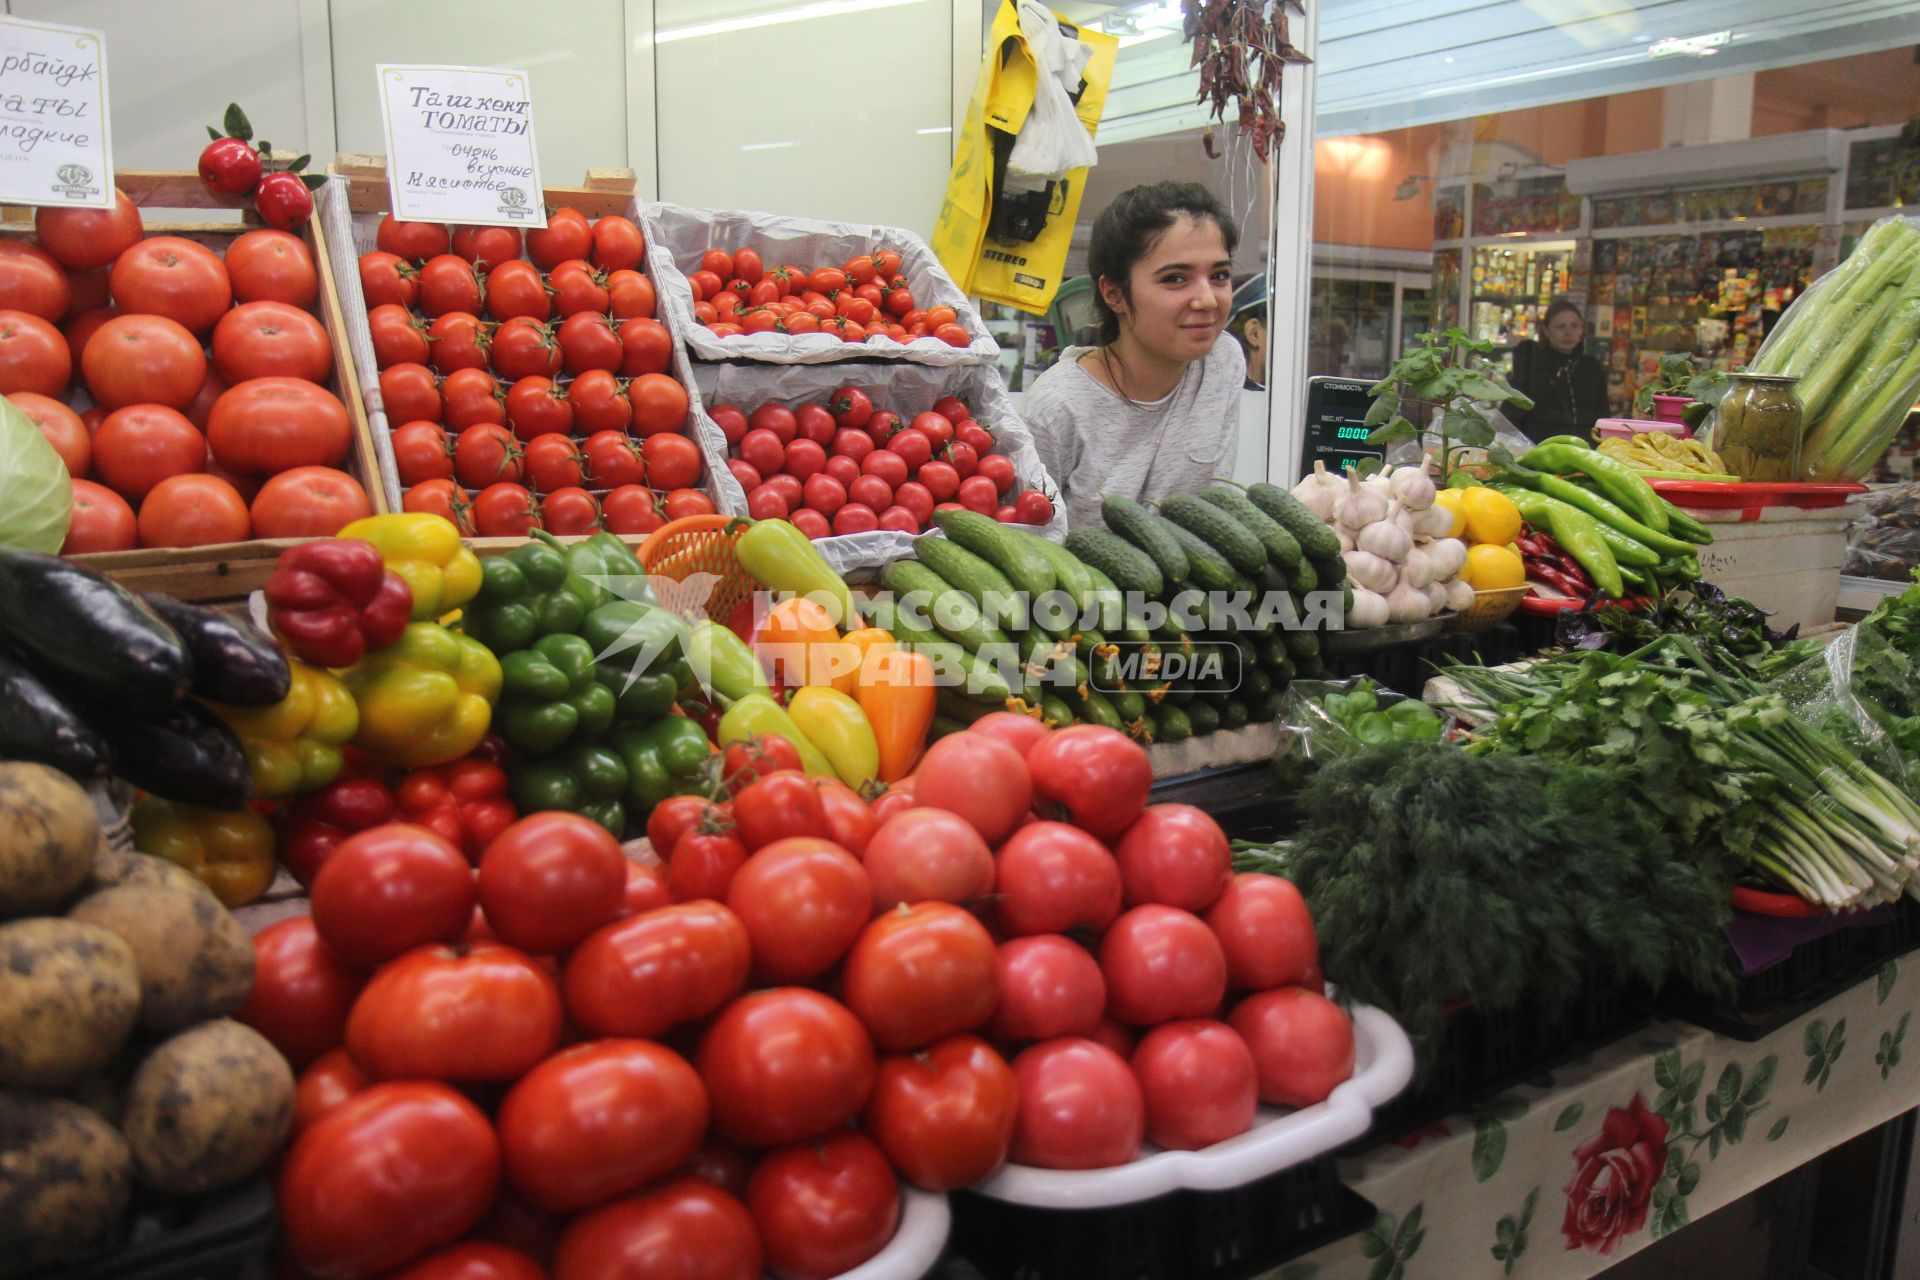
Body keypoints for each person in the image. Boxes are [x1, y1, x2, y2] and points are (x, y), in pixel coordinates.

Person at [1023, 181, 1245, 530]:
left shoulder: (1222, 362)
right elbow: (1026, 545)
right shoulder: (1057, 408)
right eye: (1175, 278)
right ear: (1114, 293)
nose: (1208, 300)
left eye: (1219, 275)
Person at [1506, 295, 1609, 443]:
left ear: (1582, 329)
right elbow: (1514, 414)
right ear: (1546, 331)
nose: (1568, 333)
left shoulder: (1591, 368)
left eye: (1574, 326)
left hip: (1586, 450)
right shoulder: (1532, 365)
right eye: (1561, 326)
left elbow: (1603, 415)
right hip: (1540, 449)